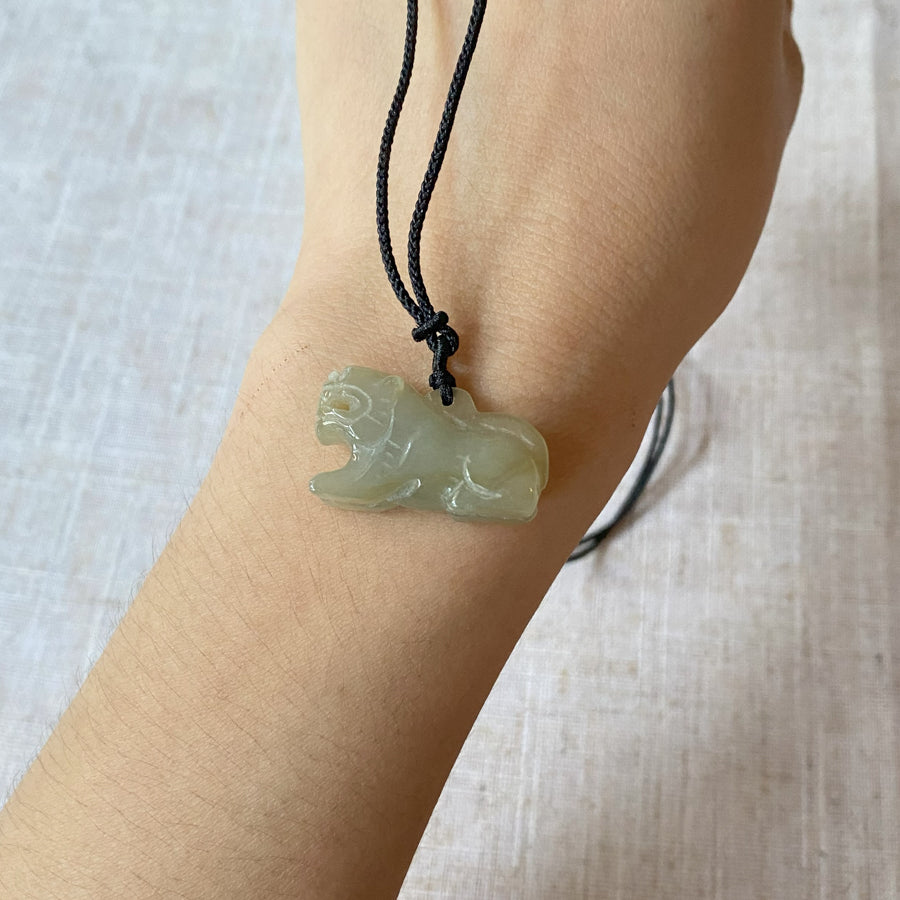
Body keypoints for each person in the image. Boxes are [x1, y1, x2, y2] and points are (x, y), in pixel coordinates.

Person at [0, 2, 802, 897]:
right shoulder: (386, 428)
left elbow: (370, 471)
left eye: (349, 413)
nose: (343, 425)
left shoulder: (401, 432)